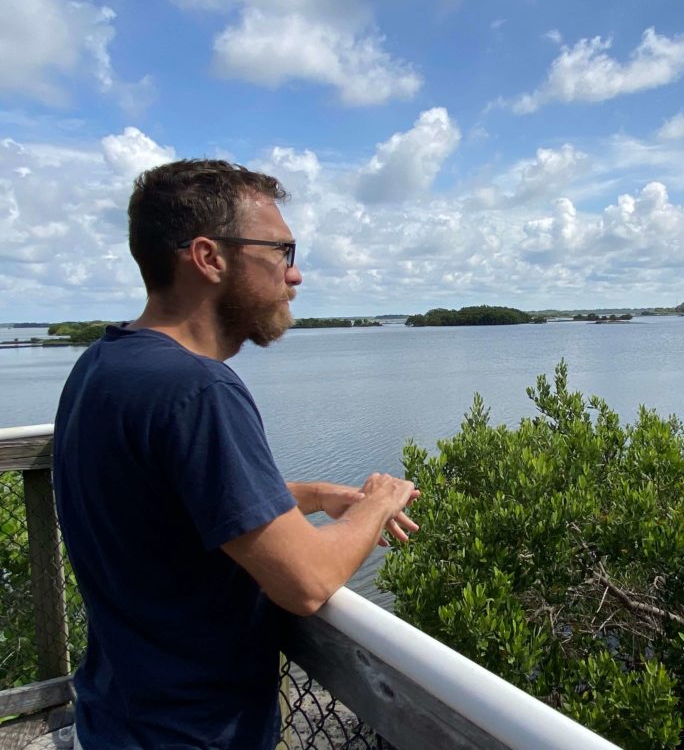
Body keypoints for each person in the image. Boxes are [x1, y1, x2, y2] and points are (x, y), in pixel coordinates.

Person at [52, 159, 419, 750]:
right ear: (209, 257)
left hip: (117, 717)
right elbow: (306, 582)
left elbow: (170, 502)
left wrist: (309, 496)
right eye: (281, 252)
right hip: (192, 733)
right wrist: (375, 504)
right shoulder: (199, 390)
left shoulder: (104, 365)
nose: (294, 277)